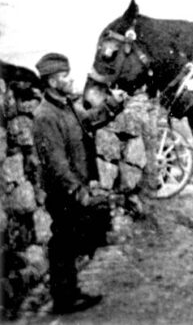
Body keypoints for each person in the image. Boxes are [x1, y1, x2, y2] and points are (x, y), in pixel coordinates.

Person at [32, 53, 126, 315]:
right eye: (65, 75)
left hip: (75, 187)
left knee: (69, 239)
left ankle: (70, 292)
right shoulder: (45, 116)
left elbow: (90, 121)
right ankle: (63, 299)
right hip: (63, 191)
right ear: (51, 82)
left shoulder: (68, 106)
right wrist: (80, 192)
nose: (71, 78)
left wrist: (112, 105)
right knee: (62, 242)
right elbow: (56, 164)